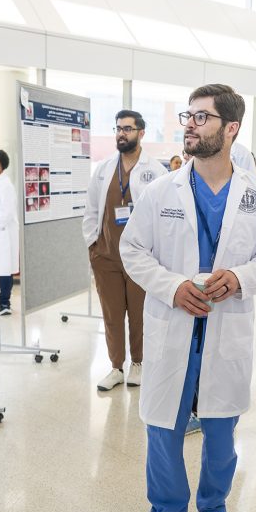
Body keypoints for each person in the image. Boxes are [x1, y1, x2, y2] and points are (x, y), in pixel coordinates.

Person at [120, 83, 256, 512]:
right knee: (164, 425)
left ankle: (212, 509)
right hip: (174, 325)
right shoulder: (160, 191)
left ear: (230, 129)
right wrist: (171, 287)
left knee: (220, 427)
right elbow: (133, 250)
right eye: (188, 117)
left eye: (202, 117)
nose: (190, 125)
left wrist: (240, 277)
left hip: (225, 327)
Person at [82, 110, 167, 391]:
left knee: (140, 314)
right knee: (112, 315)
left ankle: (139, 364)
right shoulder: (104, 168)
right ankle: (116, 367)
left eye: (128, 129)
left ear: (141, 133)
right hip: (106, 256)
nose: (121, 133)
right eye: (118, 128)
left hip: (141, 259)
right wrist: (92, 245)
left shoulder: (156, 171)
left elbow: (164, 216)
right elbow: (92, 209)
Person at [0, 149, 19, 314]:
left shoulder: (6, 185)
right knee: (2, 268)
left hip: (4, 233)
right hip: (0, 232)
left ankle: (5, 304)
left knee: (5, 268)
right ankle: (1, 301)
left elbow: (8, 212)